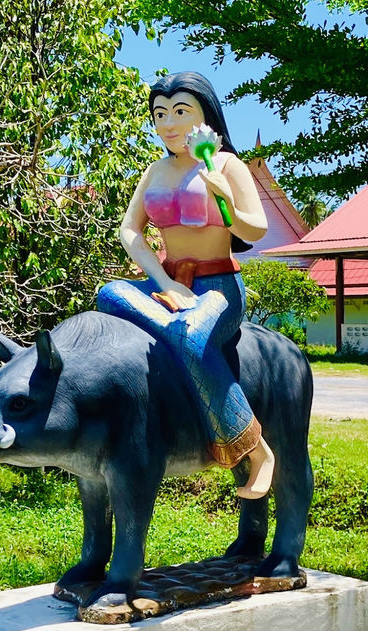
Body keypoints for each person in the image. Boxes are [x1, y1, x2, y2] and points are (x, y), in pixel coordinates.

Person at [97, 71, 274, 498]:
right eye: (160, 114)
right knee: (107, 294)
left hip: (218, 288)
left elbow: (256, 230)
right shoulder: (155, 170)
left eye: (180, 112)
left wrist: (224, 196)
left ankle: (257, 450)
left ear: (205, 115)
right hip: (168, 284)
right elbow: (130, 232)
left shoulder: (226, 164)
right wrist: (164, 283)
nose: (168, 124)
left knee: (190, 336)